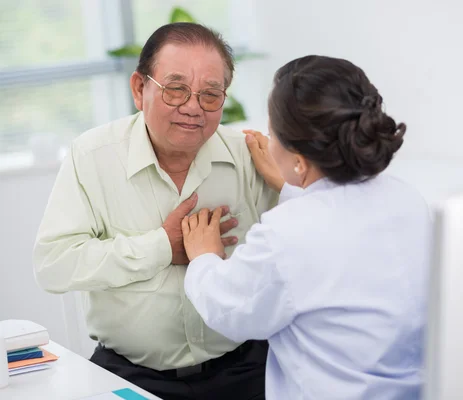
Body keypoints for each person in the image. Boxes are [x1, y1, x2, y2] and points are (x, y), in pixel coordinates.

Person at [33, 22, 278, 400]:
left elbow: (305, 251)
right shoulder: (92, 156)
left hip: (244, 368)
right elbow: (54, 264)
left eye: (211, 94)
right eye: (176, 89)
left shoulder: (248, 155)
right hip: (132, 376)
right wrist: (163, 247)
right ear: (139, 88)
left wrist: (288, 188)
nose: (193, 108)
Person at [181, 55, 433, 400]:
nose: (269, 145)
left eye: (272, 135)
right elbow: (336, 233)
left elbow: (231, 311)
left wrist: (204, 258)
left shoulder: (287, 234)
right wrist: (294, 186)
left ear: (298, 159)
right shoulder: (406, 199)